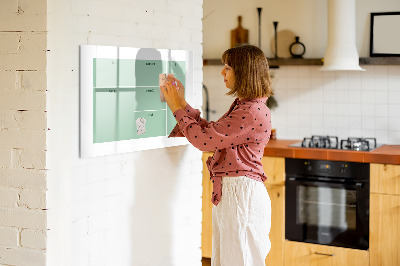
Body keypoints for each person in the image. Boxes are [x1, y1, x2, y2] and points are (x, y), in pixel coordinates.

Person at [161, 44, 273, 266]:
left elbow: (204, 141)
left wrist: (176, 108)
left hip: (241, 195)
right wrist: (182, 103)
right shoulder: (246, 106)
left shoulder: (250, 111)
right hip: (236, 193)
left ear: (244, 72)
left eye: (228, 67)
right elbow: (212, 133)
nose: (222, 72)